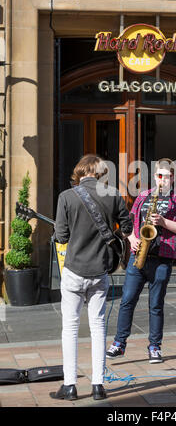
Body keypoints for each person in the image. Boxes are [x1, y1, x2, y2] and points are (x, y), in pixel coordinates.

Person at [50, 154, 133, 401]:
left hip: (74, 271)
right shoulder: (113, 195)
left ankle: (70, 386)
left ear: (81, 171)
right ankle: (98, 385)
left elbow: (62, 237)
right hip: (100, 271)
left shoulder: (66, 196)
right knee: (97, 327)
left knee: (70, 328)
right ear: (100, 173)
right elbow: (127, 228)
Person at [106, 158, 176, 364]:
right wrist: (133, 238)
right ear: (155, 176)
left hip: (163, 258)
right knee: (127, 301)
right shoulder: (144, 196)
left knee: (156, 305)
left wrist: (164, 222)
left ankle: (155, 347)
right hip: (138, 257)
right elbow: (128, 223)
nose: (163, 180)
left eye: (168, 176)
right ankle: (119, 343)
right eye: (160, 176)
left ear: (173, 178)